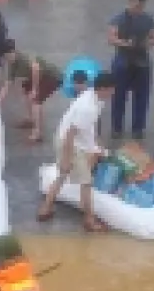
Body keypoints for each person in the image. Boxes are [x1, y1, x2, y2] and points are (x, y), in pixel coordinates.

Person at [37, 69, 111, 232]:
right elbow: (71, 134)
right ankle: (89, 220)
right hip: (70, 143)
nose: (113, 93)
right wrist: (66, 158)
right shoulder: (88, 107)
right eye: (111, 90)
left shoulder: (94, 97)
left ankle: (46, 207)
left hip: (71, 140)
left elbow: (88, 127)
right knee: (86, 182)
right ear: (104, 88)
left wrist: (96, 145)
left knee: (63, 175)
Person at [104, 0, 154, 143]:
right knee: (118, 95)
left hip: (142, 60)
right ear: (130, 1)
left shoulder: (148, 19)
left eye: (141, 6)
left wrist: (146, 43)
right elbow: (111, 38)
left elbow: (153, 38)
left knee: (142, 96)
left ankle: (138, 128)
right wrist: (125, 43)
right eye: (136, 5)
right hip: (123, 58)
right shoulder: (119, 18)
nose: (138, 9)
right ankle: (116, 127)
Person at [7, 51, 62, 145]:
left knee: (36, 101)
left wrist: (35, 89)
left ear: (13, 53)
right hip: (37, 76)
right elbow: (7, 83)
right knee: (26, 90)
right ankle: (31, 119)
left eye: (7, 56)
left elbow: (36, 69)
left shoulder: (23, 59)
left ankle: (37, 133)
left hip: (50, 76)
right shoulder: (12, 64)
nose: (7, 59)